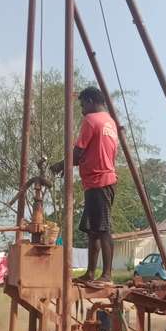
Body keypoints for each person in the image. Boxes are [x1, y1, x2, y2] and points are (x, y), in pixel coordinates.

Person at [51, 87, 118, 285]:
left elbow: (78, 152)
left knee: (103, 229)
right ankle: (90, 273)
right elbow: (93, 153)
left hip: (99, 181)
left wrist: (60, 165)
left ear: (90, 101)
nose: (82, 110)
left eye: (82, 105)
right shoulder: (110, 122)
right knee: (92, 230)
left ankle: (106, 276)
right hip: (100, 181)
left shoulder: (91, 120)